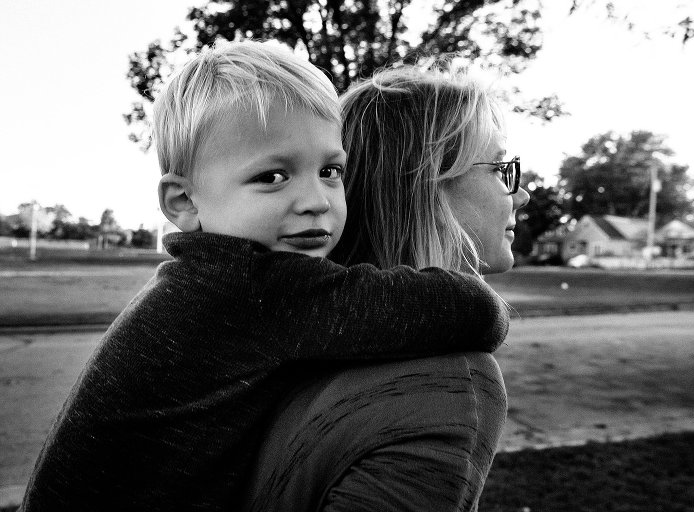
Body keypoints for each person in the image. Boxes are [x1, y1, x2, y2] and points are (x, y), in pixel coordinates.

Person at [20, 43, 511, 512]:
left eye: (332, 171)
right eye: (273, 177)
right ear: (182, 202)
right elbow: (463, 311)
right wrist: (483, 301)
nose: (316, 199)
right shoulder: (248, 289)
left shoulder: (204, 282)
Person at [241, 63, 530, 511]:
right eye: (502, 167)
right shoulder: (447, 387)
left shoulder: (279, 334)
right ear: (424, 187)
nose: (521, 194)